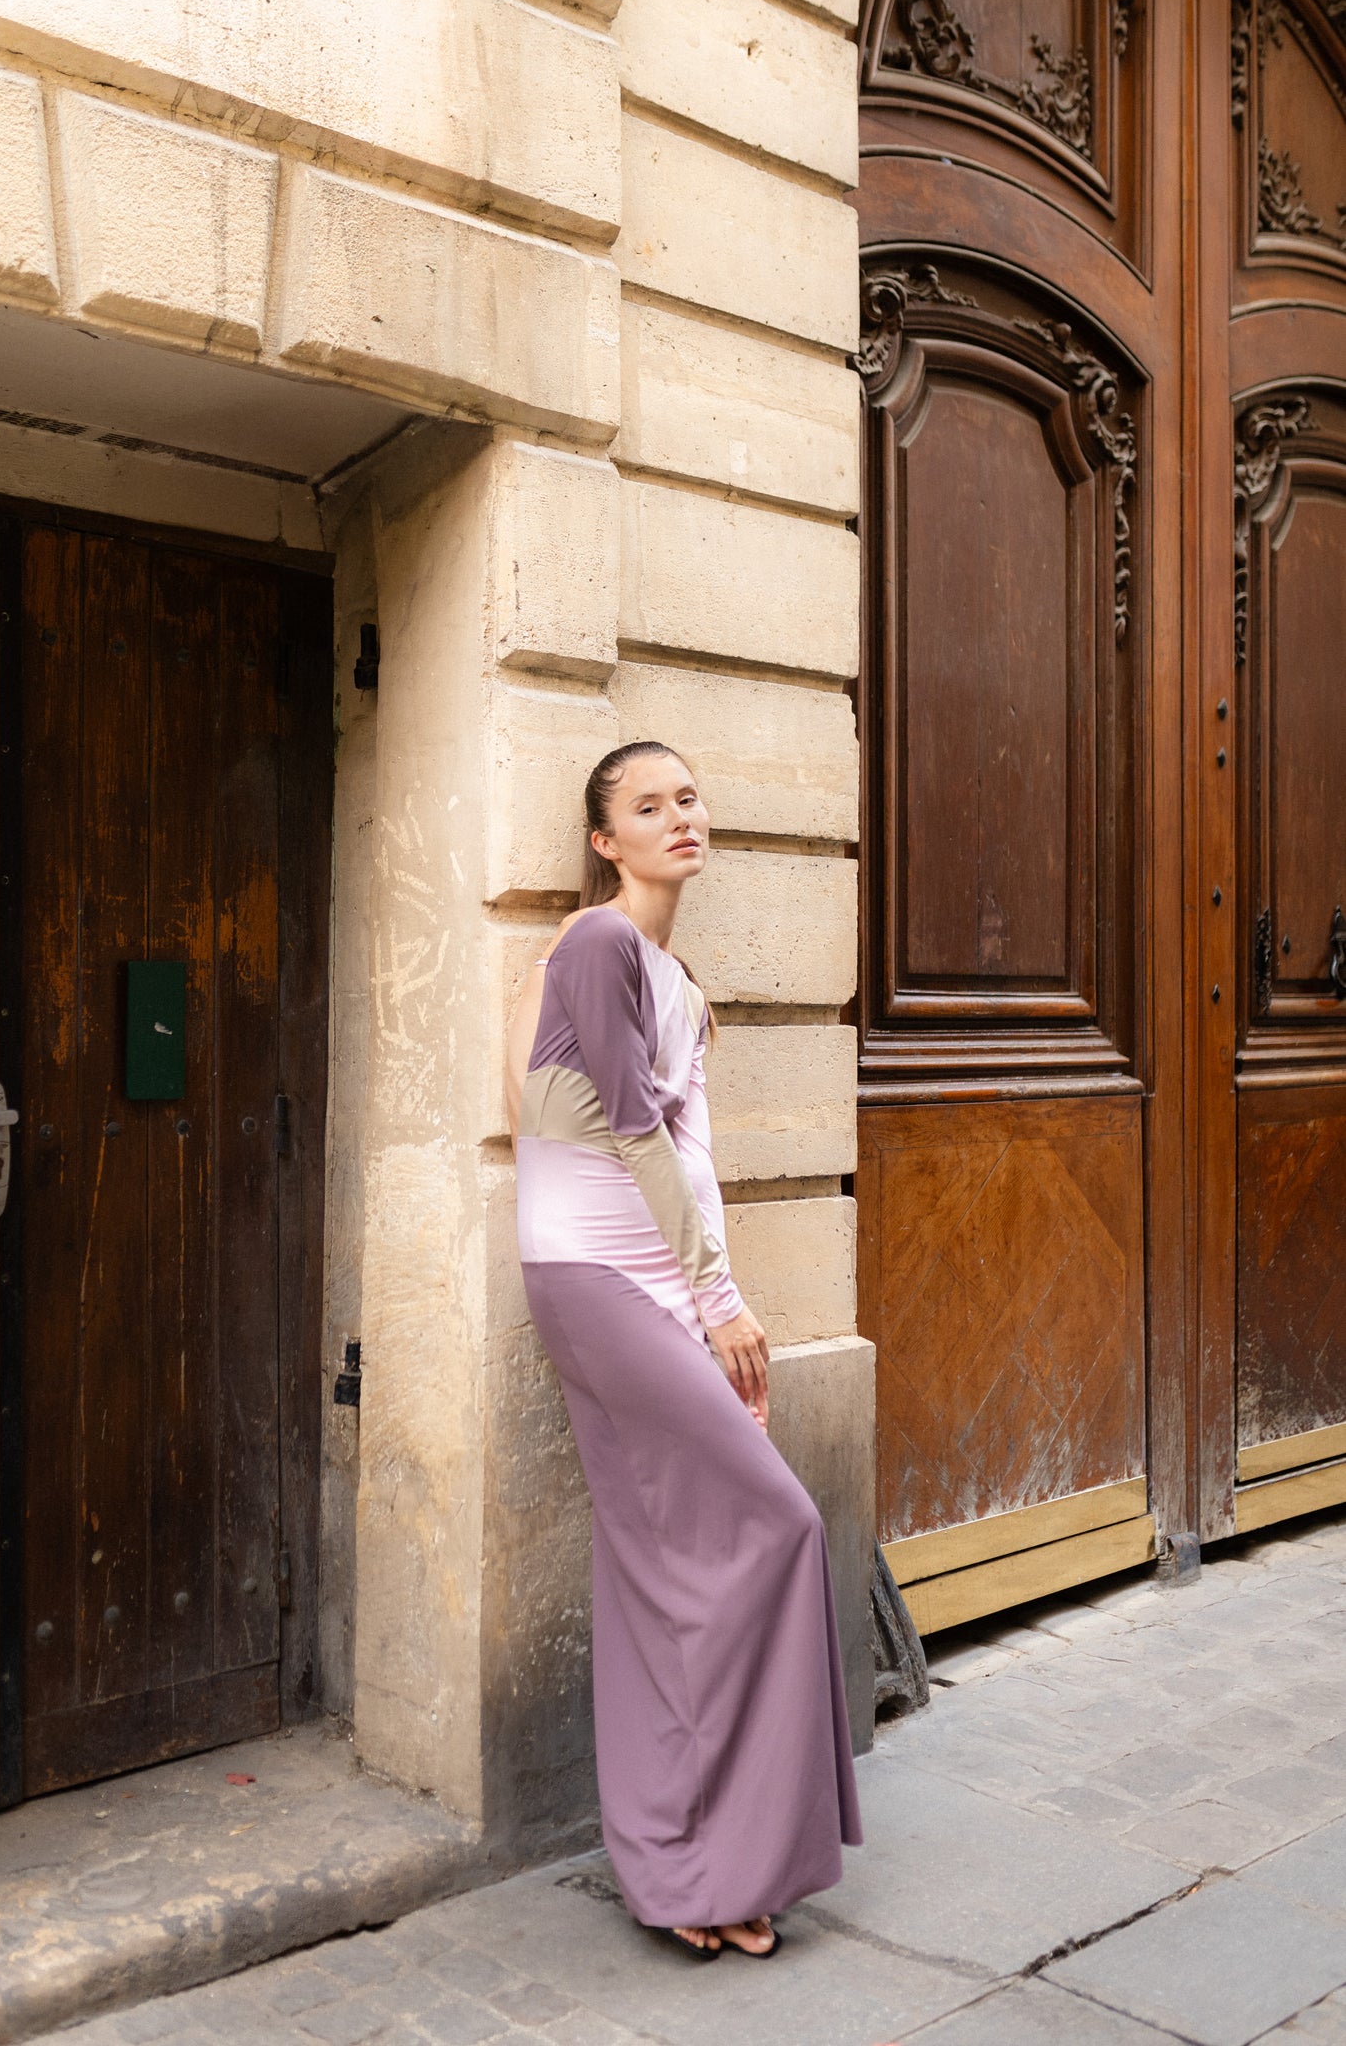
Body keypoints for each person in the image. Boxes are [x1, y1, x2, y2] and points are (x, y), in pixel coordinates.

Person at [506, 740, 863, 1962]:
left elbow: (695, 1161)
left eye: (688, 797)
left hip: (659, 1284)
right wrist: (712, 1304)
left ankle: (690, 1862)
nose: (678, 817)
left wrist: (726, 1298)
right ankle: (707, 1855)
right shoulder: (594, 944)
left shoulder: (676, 976)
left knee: (663, 1565)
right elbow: (624, 1133)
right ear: (603, 838)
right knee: (779, 1525)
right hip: (598, 1278)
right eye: (646, 805)